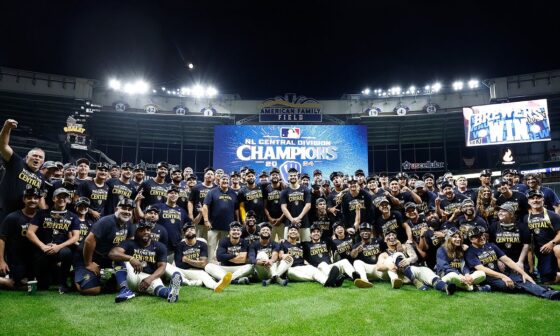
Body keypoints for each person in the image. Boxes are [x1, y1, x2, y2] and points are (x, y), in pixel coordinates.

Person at [465, 227, 560, 300]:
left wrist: (524, 273)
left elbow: (507, 260)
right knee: (512, 285)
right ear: (471, 239)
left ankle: (547, 292)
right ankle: (547, 292)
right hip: (490, 278)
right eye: (478, 236)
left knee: (522, 280)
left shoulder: (491, 245)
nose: (482, 237)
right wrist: (503, 276)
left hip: (504, 273)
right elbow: (482, 268)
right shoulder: (470, 252)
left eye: (482, 234)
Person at [74, 198, 136, 302]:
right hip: (87, 257)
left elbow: (129, 242)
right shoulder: (106, 221)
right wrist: (89, 263)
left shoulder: (129, 224)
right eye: (124, 208)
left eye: (130, 210)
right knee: (90, 289)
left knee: (119, 256)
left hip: (106, 257)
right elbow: (89, 241)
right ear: (116, 209)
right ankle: (77, 276)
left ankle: (123, 288)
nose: (127, 211)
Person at [108, 221, 182, 303]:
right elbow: (112, 253)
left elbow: (162, 267)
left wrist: (150, 278)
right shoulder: (128, 243)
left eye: (148, 230)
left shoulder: (160, 246)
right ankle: (124, 290)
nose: (146, 232)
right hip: (131, 275)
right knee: (119, 259)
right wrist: (131, 258)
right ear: (136, 232)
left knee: (159, 288)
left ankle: (170, 293)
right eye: (142, 230)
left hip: (149, 276)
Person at [26, 188, 80, 293]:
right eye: (59, 196)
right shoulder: (42, 214)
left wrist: (59, 247)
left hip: (61, 248)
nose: (62, 199)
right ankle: (41, 280)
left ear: (68, 200)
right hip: (43, 248)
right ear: (53, 199)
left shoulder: (73, 216)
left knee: (67, 253)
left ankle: (63, 283)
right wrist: (42, 246)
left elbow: (75, 237)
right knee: (43, 286)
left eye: (64, 197)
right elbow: (30, 232)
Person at [376, 231, 456, 294]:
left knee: (426, 271)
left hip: (412, 269)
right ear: (384, 240)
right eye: (388, 236)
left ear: (396, 237)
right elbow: (379, 267)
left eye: (393, 235)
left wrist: (408, 260)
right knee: (397, 254)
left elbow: (415, 257)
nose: (391, 237)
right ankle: (415, 281)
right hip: (400, 276)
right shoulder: (383, 254)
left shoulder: (406, 246)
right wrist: (389, 266)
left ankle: (445, 287)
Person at [0, 119, 46, 223]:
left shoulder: (41, 177)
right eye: (34, 155)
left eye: (40, 157)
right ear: (27, 157)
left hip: (23, 216)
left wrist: (44, 215)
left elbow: (41, 198)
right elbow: (3, 146)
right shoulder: (17, 162)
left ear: (43, 162)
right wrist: (7, 128)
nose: (37, 158)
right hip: (4, 210)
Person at [170, 222, 232, 292]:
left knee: (209, 265)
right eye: (187, 230)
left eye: (192, 229)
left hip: (199, 268)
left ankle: (224, 278)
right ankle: (215, 286)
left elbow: (203, 264)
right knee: (202, 274)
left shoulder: (202, 244)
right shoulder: (179, 246)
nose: (189, 231)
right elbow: (180, 265)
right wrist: (197, 262)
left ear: (195, 231)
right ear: (184, 234)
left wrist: (187, 260)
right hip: (186, 271)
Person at [0, 186, 41, 289]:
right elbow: (2, 239)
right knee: (14, 284)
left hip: (35, 258)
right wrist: (1, 261)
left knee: (41, 283)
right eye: (29, 197)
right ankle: (5, 280)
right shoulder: (12, 217)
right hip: (16, 259)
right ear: (24, 199)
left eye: (35, 198)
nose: (32, 200)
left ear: (39, 200)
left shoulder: (42, 217)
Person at [524, 189, 560, 284]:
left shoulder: (552, 215)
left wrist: (551, 243)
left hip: (552, 249)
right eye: (532, 198)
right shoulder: (526, 218)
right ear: (528, 201)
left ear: (543, 200)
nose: (535, 200)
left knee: (558, 249)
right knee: (546, 281)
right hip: (539, 251)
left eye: (538, 198)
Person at [203, 174, 239, 262]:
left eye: (227, 180)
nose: (225, 181)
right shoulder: (212, 192)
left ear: (229, 182)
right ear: (219, 181)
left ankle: (223, 265)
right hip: (213, 226)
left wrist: (238, 221)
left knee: (225, 249)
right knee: (211, 247)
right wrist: (206, 220)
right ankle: (210, 265)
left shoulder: (233, 193)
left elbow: (236, 209)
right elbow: (205, 206)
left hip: (228, 227)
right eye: (223, 179)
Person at [488, 204, 530, 271]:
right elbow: (490, 245)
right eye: (499, 211)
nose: (500, 213)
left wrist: (520, 261)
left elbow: (526, 245)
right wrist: (497, 260)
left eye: (504, 211)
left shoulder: (522, 227)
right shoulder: (493, 226)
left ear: (511, 214)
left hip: (517, 259)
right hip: (501, 260)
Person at [280, 167, 312, 241]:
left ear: (298, 177)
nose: (293, 177)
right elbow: (283, 207)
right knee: (289, 246)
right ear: (288, 177)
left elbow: (308, 205)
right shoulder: (284, 191)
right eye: (291, 176)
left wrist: (299, 218)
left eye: (294, 175)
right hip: (289, 223)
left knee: (306, 245)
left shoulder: (305, 189)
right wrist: (292, 220)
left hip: (304, 223)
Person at [350, 222, 383, 288]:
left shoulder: (378, 241)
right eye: (363, 231)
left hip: (379, 268)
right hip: (367, 270)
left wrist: (398, 242)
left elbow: (388, 245)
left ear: (371, 232)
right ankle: (364, 280)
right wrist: (357, 250)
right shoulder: (357, 245)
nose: (365, 232)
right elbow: (352, 255)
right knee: (357, 262)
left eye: (367, 230)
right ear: (359, 233)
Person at [188, 167, 216, 240]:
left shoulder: (216, 188)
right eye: (208, 174)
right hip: (198, 219)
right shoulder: (196, 188)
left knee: (209, 244)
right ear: (204, 175)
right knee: (196, 241)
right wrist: (190, 214)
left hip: (211, 220)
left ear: (214, 177)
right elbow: (190, 201)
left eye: (212, 174)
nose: (210, 175)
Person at [263, 167, 285, 242]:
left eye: (276, 174)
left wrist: (280, 219)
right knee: (269, 244)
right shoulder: (266, 189)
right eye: (273, 175)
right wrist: (269, 218)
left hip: (283, 222)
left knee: (283, 243)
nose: (275, 176)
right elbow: (265, 206)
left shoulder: (284, 188)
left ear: (279, 177)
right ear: (270, 177)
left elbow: (287, 206)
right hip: (270, 222)